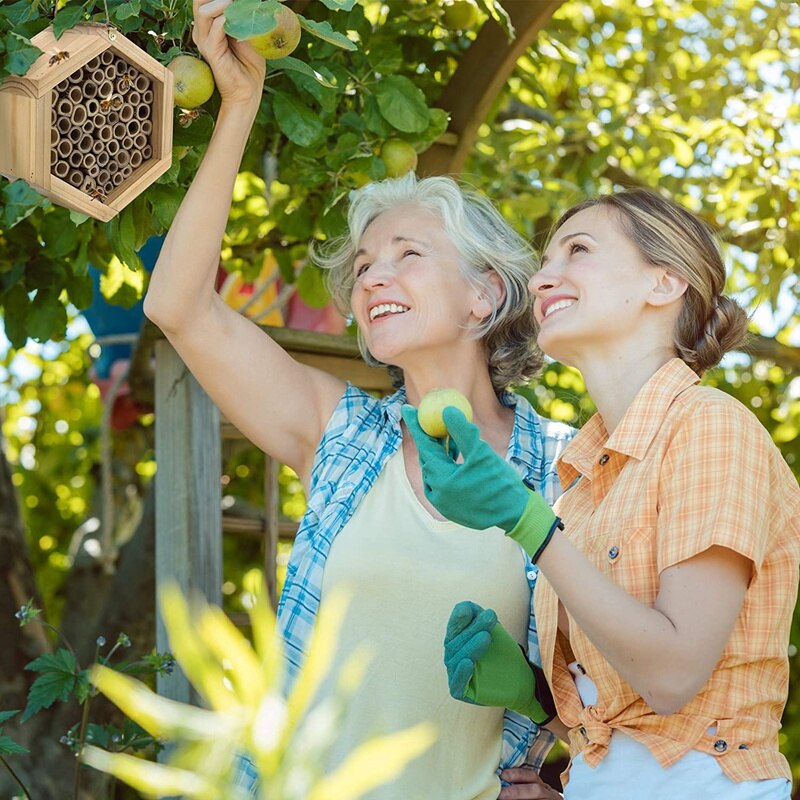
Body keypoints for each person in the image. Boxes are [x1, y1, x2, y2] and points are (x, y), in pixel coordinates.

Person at [143, 3, 574, 797]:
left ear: (485, 295)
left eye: (408, 254)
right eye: (366, 265)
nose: (374, 276)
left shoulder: (572, 466)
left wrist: (559, 771)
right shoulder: (340, 434)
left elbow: (618, 687)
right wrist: (239, 106)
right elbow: (178, 306)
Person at [403, 190, 800, 798]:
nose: (541, 278)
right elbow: (627, 722)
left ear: (664, 283)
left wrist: (526, 522)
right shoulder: (582, 482)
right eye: (545, 260)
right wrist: (538, 699)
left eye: (578, 250)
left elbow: (672, 676)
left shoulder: (711, 427)